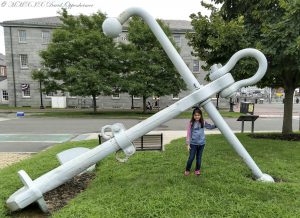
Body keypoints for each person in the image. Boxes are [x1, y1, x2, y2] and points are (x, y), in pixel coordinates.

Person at [184, 107, 208, 176]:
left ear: (200, 115)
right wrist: (188, 144)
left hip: (201, 144)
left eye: (198, 115)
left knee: (199, 158)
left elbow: (210, 127)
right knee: (191, 158)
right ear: (193, 116)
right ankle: (187, 169)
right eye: (195, 115)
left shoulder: (203, 122)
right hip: (193, 144)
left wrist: (217, 124)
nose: (197, 116)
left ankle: (197, 170)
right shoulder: (191, 123)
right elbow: (188, 134)